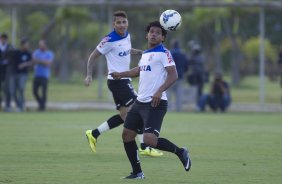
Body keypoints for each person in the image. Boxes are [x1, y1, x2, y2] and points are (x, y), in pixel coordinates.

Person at [111, 21, 191, 179]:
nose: (153, 34)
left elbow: (173, 75)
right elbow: (138, 70)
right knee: (127, 135)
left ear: (163, 37)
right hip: (140, 102)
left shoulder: (164, 53)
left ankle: (181, 152)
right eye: (151, 31)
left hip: (156, 103)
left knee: (149, 140)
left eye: (157, 33)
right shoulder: (146, 54)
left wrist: (159, 91)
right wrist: (121, 74)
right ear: (147, 35)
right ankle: (137, 172)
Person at [84, 10, 163, 157]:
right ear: (113, 24)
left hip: (123, 81)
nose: (121, 25)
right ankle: (145, 146)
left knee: (125, 117)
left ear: (127, 23)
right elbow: (92, 57)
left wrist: (142, 52)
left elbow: (127, 50)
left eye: (124, 22)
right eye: (118, 22)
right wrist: (89, 75)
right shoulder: (108, 40)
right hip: (118, 81)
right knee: (137, 111)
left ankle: (94, 133)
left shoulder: (127, 35)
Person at [32, 39, 54, 111]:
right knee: (34, 91)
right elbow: (34, 61)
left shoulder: (49, 53)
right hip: (37, 75)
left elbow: (48, 63)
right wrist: (43, 62)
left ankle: (42, 107)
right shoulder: (36, 52)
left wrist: (39, 61)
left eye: (42, 45)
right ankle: (41, 103)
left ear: (45, 45)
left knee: (44, 93)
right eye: (40, 45)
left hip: (45, 75)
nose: (40, 46)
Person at [167, 40, 188, 111]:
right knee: (179, 94)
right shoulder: (183, 53)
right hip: (180, 76)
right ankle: (179, 109)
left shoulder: (170, 53)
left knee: (168, 92)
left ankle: (169, 108)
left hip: (171, 76)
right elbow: (186, 66)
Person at [13, 38, 32, 111]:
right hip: (15, 74)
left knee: (21, 88)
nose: (27, 46)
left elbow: (31, 62)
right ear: (22, 45)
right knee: (13, 91)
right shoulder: (17, 52)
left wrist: (24, 64)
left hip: (23, 74)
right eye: (26, 44)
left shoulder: (28, 53)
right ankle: (19, 103)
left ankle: (20, 106)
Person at [0, 33, 14, 111]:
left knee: (7, 88)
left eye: (5, 38)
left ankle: (7, 105)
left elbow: (12, 58)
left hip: (7, 71)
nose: (3, 40)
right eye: (2, 38)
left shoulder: (10, 47)